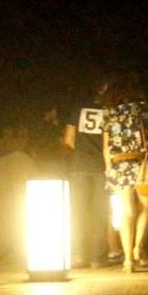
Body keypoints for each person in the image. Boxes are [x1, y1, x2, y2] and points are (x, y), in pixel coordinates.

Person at [101, 73, 148, 273]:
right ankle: (138, 247)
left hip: (118, 163)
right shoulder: (143, 108)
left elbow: (106, 146)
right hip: (139, 161)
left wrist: (108, 168)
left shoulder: (109, 112)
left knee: (126, 212)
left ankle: (127, 260)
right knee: (145, 206)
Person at [63, 79, 112, 268]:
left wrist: (80, 150)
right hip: (100, 166)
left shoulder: (77, 110)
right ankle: (97, 257)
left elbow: (68, 140)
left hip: (78, 165)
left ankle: (77, 255)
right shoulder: (108, 112)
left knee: (78, 211)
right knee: (99, 211)